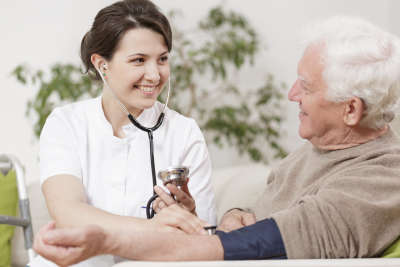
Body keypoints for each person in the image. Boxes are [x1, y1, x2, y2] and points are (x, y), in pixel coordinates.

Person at [33, 15, 400, 265]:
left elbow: (277, 238)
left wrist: (117, 238)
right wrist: (237, 215)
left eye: (304, 86)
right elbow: (244, 224)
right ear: (102, 64)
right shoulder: (324, 143)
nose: (291, 94)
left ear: (351, 110)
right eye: (138, 59)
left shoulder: (380, 178)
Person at [28, 0, 218, 266]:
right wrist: (156, 229)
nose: (154, 75)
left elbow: (204, 236)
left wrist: (190, 214)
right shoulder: (66, 123)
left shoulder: (185, 132)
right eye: (139, 60)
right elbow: (68, 214)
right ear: (101, 64)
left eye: (162, 59)